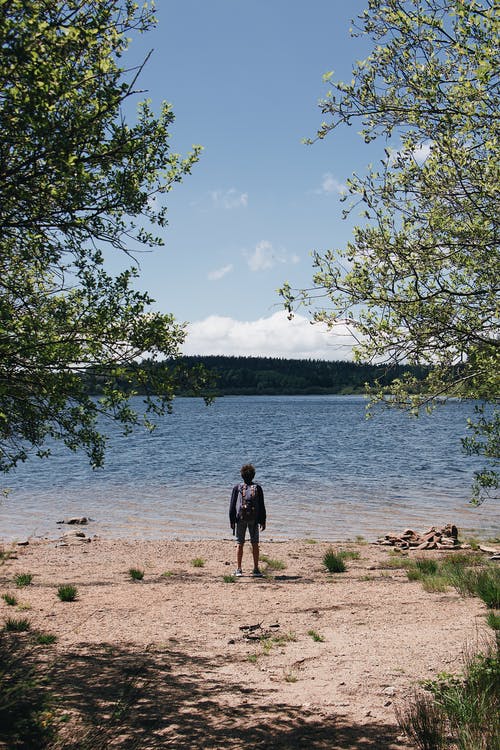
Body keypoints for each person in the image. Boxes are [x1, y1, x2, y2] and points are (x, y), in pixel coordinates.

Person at [229, 463, 266, 577]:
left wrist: (232, 520)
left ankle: (239, 569)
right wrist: (263, 520)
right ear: (253, 476)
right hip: (254, 519)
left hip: (240, 519)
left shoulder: (237, 488)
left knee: (240, 543)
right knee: (255, 543)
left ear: (242, 476)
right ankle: (256, 569)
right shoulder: (258, 488)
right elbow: (262, 505)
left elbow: (232, 506)